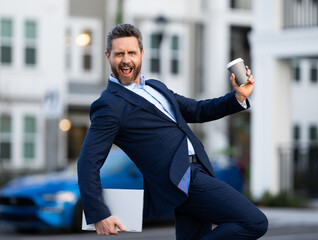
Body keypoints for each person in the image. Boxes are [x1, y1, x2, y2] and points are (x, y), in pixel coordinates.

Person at [77, 23, 268, 240]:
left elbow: (197, 110)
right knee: (254, 222)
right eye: (119, 54)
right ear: (108, 56)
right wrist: (99, 214)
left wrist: (238, 97)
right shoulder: (108, 105)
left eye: (131, 53)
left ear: (141, 54)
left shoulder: (156, 87)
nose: (126, 60)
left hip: (198, 169)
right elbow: (88, 162)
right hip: (182, 180)